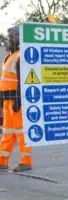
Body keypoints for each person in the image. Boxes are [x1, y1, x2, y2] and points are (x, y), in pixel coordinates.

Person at [0, 26, 32, 172]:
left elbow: (22, 80)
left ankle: (26, 161)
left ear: (20, 38)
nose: (10, 39)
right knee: (7, 132)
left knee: (20, 131)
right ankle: (2, 161)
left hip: (15, 99)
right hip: (7, 100)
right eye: (9, 37)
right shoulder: (9, 56)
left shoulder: (21, 55)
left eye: (12, 36)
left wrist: (19, 100)